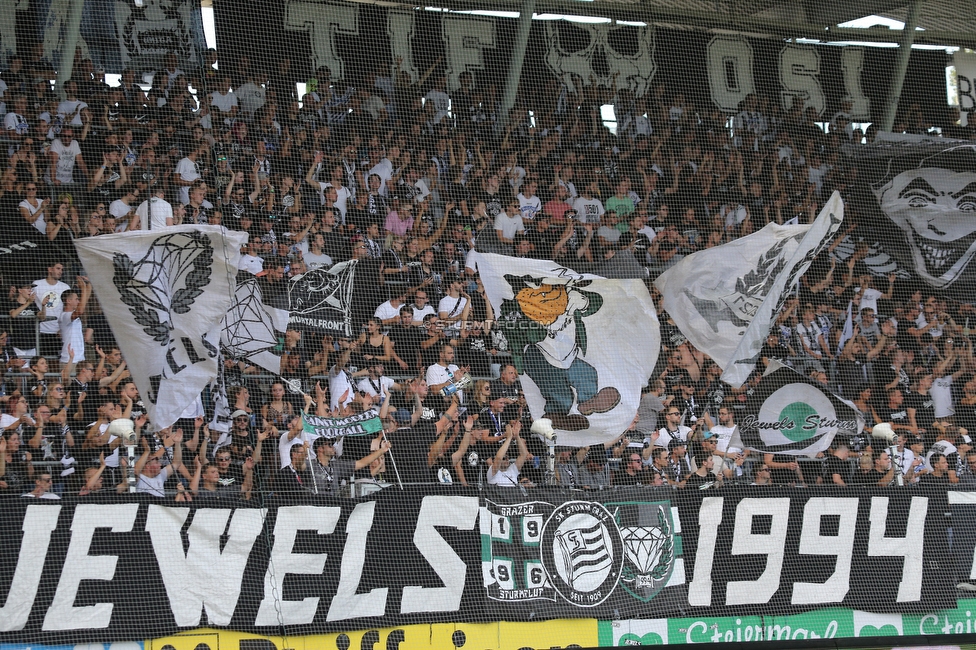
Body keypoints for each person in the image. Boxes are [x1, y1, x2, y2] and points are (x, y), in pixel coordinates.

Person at [135, 428, 184, 497]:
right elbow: (136, 471)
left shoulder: (160, 475)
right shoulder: (139, 478)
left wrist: (177, 443)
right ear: (147, 466)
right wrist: (147, 452)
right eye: (156, 462)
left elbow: (176, 464)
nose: (160, 464)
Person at [486, 420, 530, 487]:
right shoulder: (493, 473)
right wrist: (508, 438)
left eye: (507, 457)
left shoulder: (512, 470)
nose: (507, 459)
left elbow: (523, 455)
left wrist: (517, 436)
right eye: (504, 458)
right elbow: (499, 457)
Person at [58, 278, 92, 364]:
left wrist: (88, 283)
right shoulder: (64, 315)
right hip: (69, 360)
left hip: (79, 358)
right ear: (68, 301)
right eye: (76, 299)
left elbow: (85, 300)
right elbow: (80, 310)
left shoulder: (73, 315)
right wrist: (83, 288)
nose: (78, 301)